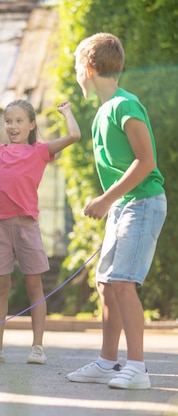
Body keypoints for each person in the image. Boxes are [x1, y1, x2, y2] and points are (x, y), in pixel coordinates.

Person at [65, 33, 166, 390]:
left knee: (123, 283)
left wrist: (106, 199)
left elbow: (146, 161)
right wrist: (112, 202)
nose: (77, 74)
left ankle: (137, 368)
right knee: (106, 284)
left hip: (143, 203)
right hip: (124, 205)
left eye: (78, 67)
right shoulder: (103, 111)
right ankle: (108, 362)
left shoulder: (125, 105)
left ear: (89, 68)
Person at [0, 78, 81, 364]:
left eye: (18, 121)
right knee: (0, 287)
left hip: (27, 227)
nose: (12, 126)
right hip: (0, 227)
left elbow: (74, 136)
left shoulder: (40, 152)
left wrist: (67, 113)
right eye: (8, 121)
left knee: (34, 287)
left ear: (31, 125)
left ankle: (37, 347)